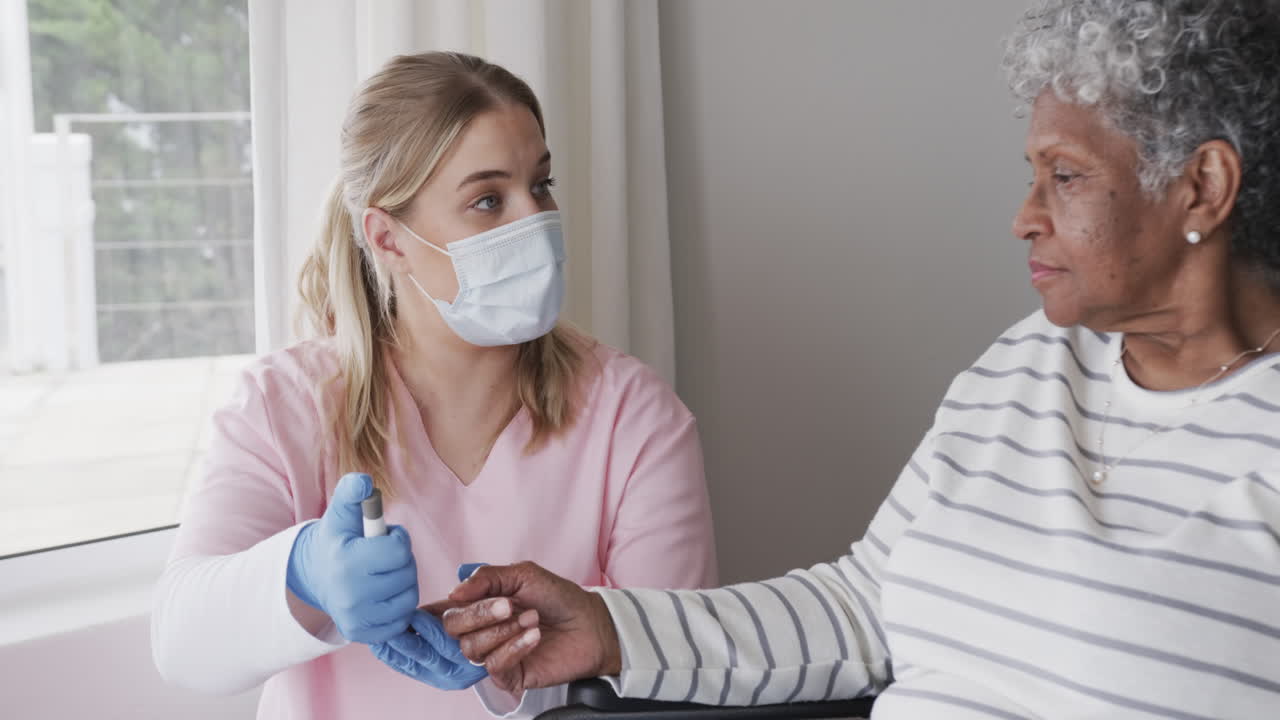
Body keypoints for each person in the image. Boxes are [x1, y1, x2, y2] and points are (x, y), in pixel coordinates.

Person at [408, 2, 1280, 718]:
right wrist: (607, 628)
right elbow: (864, 605)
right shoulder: (1025, 368)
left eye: (1067, 176)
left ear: (1202, 186)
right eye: (1033, 174)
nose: (1025, 216)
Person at [150, 52, 717, 720]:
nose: (533, 221)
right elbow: (182, 645)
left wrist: (542, 654)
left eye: (541, 185)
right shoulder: (284, 405)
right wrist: (305, 574)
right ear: (389, 240)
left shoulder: (633, 414)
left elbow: (680, 670)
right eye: (488, 200)